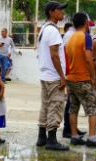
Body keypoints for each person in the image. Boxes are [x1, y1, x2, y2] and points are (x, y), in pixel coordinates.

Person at [65, 13, 96, 147]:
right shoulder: (86, 37)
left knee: (73, 107)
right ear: (85, 22)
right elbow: (89, 59)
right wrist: (93, 77)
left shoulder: (71, 38)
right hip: (82, 78)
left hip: (71, 78)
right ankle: (92, 138)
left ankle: (74, 136)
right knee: (94, 106)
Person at [36, 1, 69, 150]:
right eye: (60, 10)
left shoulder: (44, 29)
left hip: (45, 74)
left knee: (45, 105)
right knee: (56, 105)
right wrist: (62, 76)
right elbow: (54, 54)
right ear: (51, 12)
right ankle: (52, 140)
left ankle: (41, 137)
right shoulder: (53, 31)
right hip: (54, 76)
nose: (62, 12)